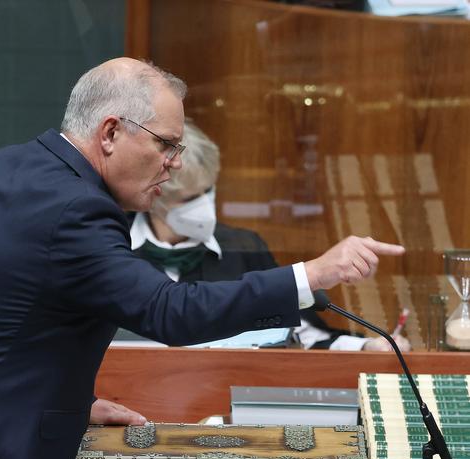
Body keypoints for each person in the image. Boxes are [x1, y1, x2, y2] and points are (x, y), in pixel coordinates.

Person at [0, 58, 405, 459]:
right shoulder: (78, 211)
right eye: (167, 144)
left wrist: (71, 401)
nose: (175, 164)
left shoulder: (5, 166)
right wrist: (311, 274)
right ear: (111, 132)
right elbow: (169, 312)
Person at [126, 120, 411, 352]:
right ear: (155, 196)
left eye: (208, 191)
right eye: (189, 198)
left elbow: (303, 336)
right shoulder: (114, 246)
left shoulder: (243, 248)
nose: (203, 204)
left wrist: (367, 348)